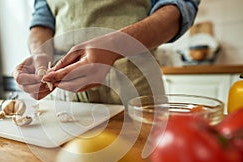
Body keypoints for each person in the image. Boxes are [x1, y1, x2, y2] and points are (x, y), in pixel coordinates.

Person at [13, 0, 200, 104]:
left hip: (135, 93)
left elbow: (179, 9)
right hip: (66, 99)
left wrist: (113, 46)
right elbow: (41, 22)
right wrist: (40, 55)